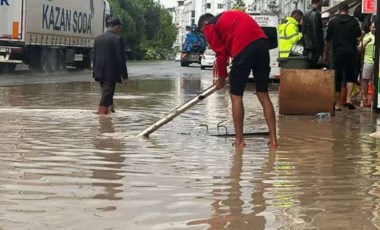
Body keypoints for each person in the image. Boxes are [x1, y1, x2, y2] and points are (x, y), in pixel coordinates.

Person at [197, 11, 278, 148]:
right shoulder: (228, 17)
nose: (205, 36)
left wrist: (221, 78)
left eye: (202, 33)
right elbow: (227, 50)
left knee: (236, 95)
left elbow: (220, 53)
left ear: (204, 25)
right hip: (263, 44)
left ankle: (239, 141)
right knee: (263, 93)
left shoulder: (210, 26)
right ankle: (273, 140)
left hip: (244, 46)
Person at [323, 2, 362, 111]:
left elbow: (328, 39)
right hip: (351, 52)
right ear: (348, 9)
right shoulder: (354, 21)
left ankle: (338, 104)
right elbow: (358, 37)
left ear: (339, 10)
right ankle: (348, 98)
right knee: (350, 75)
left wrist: (325, 53)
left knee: (338, 77)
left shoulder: (332, 22)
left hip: (337, 53)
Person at [93, 18, 128, 115]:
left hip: (99, 72)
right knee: (107, 94)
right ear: (116, 26)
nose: (120, 29)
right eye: (120, 26)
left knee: (107, 94)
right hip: (110, 73)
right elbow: (121, 59)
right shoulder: (117, 39)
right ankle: (101, 115)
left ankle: (111, 111)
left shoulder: (98, 38)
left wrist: (95, 73)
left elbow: (94, 57)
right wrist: (125, 76)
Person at [302, 0, 324, 69]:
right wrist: (319, 53)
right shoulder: (315, 14)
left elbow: (303, 31)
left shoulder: (306, 13)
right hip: (313, 50)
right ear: (320, 1)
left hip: (307, 49)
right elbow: (316, 34)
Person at [360, 22, 375, 107]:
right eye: (372, 27)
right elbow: (360, 49)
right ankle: (365, 96)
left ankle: (374, 97)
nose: (374, 29)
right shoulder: (367, 36)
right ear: (370, 28)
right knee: (365, 79)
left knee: (375, 81)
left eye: (375, 27)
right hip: (368, 61)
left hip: (377, 62)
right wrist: (366, 42)